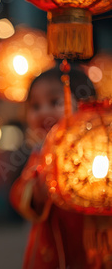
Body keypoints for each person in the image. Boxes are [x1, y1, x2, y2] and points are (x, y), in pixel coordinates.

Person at [9, 65, 109, 269]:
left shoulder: (99, 147)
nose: (43, 112)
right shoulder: (40, 153)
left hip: (93, 230)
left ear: (85, 106)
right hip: (53, 242)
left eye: (55, 102)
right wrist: (37, 191)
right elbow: (19, 193)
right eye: (35, 106)